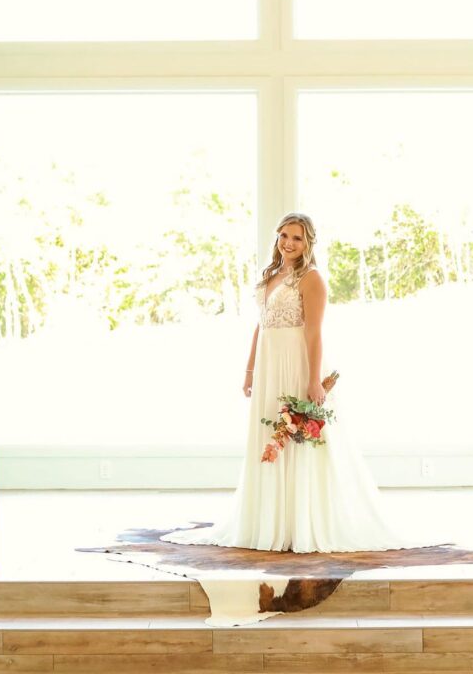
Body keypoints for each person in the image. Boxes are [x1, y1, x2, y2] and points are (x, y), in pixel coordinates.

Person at [160, 211, 432, 552]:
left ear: (308, 243)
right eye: (284, 235)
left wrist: (315, 380)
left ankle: (303, 522)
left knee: (299, 441)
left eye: (297, 238)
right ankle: (269, 521)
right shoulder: (273, 275)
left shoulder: (312, 278)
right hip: (269, 365)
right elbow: (261, 325)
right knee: (268, 436)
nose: (289, 243)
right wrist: (249, 370)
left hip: (296, 364)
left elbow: (315, 333)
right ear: (277, 237)